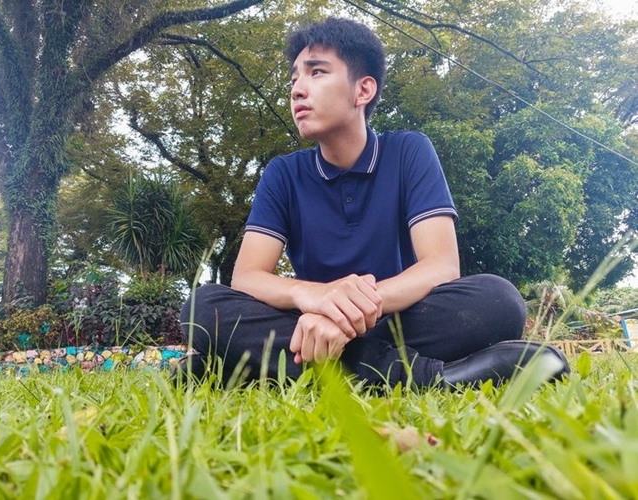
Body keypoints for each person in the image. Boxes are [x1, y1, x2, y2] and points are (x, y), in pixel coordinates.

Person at [174, 17, 569, 388]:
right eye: (294, 78)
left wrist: (349, 314)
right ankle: (432, 375)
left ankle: (257, 369)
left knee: (499, 301)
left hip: (394, 317)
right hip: (309, 320)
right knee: (202, 307)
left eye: (316, 72)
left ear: (363, 90)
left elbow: (441, 265)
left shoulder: (409, 151)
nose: (297, 89)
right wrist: (316, 298)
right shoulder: (283, 173)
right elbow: (247, 277)